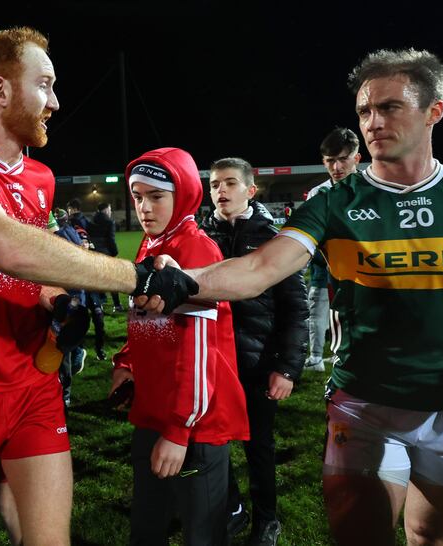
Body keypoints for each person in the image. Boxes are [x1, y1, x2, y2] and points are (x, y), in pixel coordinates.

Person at [140, 48, 443, 546]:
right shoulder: (335, 203)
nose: (373, 122)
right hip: (365, 404)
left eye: (389, 107)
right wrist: (182, 279)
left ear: (434, 111)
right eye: (364, 111)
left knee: (430, 538)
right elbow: (259, 269)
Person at [0, 27, 195, 545]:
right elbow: (3, 245)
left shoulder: (40, 178)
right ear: (1, 89)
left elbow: (28, 269)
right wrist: (139, 277)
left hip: (33, 380)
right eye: (45, 84)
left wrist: (58, 301)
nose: (56, 102)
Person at [110, 147, 249, 545]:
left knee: (200, 535)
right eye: (137, 196)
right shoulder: (150, 244)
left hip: (193, 426)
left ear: (184, 193)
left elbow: (200, 349)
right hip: (154, 412)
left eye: (156, 196)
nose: (144, 207)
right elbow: (143, 322)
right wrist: (126, 363)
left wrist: (178, 429)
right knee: (147, 526)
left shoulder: (196, 249)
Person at [200, 157, 308, 545]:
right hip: (212, 362)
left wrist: (287, 368)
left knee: (258, 446)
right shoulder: (200, 235)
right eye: (214, 184)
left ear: (250, 190)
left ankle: (267, 518)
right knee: (213, 439)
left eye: (229, 183)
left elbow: (296, 309)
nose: (220, 191)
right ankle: (232, 507)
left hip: (258, 363)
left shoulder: (275, 239)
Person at [304, 127, 361, 372]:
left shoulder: (373, 189)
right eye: (330, 161)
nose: (336, 167)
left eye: (342, 159)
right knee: (317, 310)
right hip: (324, 268)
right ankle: (316, 358)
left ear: (356, 158)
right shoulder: (318, 193)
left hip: (364, 270)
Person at [90, 202, 124, 312]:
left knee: (97, 279)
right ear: (105, 210)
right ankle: (117, 305)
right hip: (106, 252)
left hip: (93, 252)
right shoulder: (109, 222)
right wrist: (114, 252)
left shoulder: (91, 220)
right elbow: (111, 239)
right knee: (112, 279)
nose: (110, 212)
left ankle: (99, 304)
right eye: (109, 209)